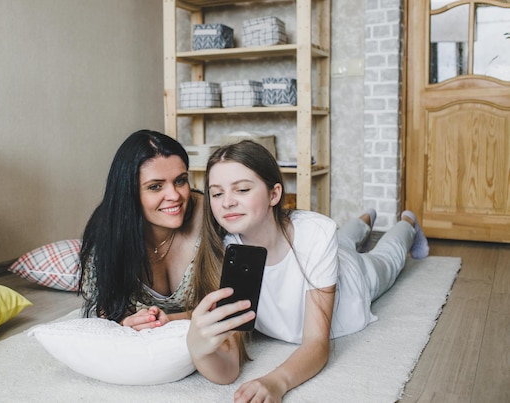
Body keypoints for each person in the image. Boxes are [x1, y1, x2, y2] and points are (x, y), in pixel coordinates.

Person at [187, 140, 429, 401]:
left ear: (274, 194)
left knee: (387, 259)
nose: (227, 203)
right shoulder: (225, 250)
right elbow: (228, 360)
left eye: (242, 189)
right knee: (343, 239)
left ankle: (407, 223)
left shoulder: (314, 234)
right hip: (321, 252)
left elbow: (316, 343)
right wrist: (196, 346)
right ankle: (364, 219)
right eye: (217, 193)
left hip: (351, 276)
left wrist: (277, 381)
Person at [78, 129, 203, 331]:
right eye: (155, 186)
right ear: (129, 192)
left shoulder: (208, 218)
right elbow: (108, 307)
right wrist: (127, 322)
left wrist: (169, 320)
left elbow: (231, 307)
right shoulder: (108, 229)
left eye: (180, 180)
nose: (174, 195)